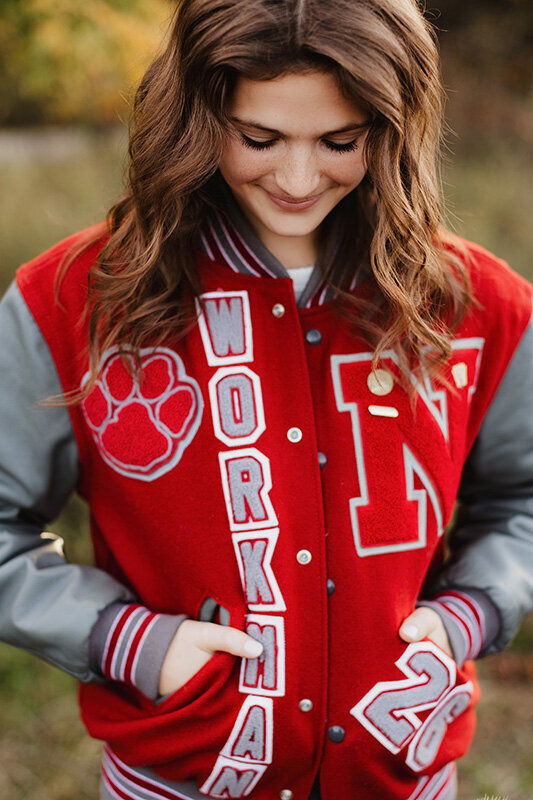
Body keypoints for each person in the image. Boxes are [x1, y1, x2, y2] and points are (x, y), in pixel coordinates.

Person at [1, 0, 532, 798]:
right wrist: (128, 642)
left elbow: (521, 497)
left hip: (406, 780)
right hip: (176, 782)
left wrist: (473, 612)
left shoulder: (482, 305)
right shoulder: (71, 300)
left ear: (393, 130)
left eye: (338, 141)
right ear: (193, 117)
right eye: (259, 138)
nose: (295, 177)